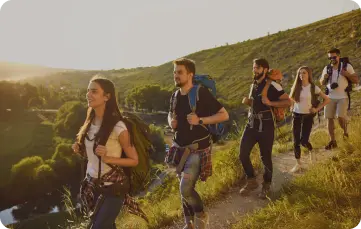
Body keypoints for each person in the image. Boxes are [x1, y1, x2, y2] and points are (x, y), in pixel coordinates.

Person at [71, 76, 142, 229]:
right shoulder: (89, 123)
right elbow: (92, 157)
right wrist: (80, 150)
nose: (88, 94)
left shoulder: (119, 127)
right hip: (92, 186)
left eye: (94, 91)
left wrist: (108, 157)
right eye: (88, 91)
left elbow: (134, 160)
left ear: (107, 96)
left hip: (113, 187)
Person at [168, 58, 229, 229]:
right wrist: (171, 122)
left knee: (185, 188)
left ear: (190, 74)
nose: (176, 75)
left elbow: (224, 114)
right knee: (183, 188)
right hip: (179, 149)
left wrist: (200, 120)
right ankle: (189, 224)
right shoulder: (174, 96)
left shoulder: (200, 93)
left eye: (179, 72)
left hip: (196, 150)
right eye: (174, 72)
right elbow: (171, 114)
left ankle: (201, 215)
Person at [239, 58, 291, 199]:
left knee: (265, 157)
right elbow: (256, 104)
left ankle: (266, 185)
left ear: (265, 69)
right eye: (254, 67)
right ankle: (251, 181)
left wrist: (271, 102)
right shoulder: (253, 85)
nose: (254, 70)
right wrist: (248, 102)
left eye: (257, 68)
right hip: (251, 124)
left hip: (266, 125)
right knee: (243, 154)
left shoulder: (273, 85)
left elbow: (288, 101)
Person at [289, 66, 330, 172]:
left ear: (308, 74)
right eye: (300, 73)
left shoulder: (313, 87)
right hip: (296, 116)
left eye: (304, 73)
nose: (301, 75)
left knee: (304, 141)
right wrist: (292, 106)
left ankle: (311, 151)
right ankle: (298, 164)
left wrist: (317, 109)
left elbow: (327, 99)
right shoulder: (295, 87)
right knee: (296, 141)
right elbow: (291, 98)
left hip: (307, 116)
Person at [319, 48, 358, 150]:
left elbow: (356, 80)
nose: (332, 59)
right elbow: (321, 82)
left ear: (339, 56)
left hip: (343, 96)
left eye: (334, 57)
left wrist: (347, 74)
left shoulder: (346, 66)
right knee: (329, 118)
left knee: (340, 116)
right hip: (329, 97)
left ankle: (345, 133)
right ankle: (332, 141)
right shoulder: (327, 68)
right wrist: (325, 78)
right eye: (330, 58)